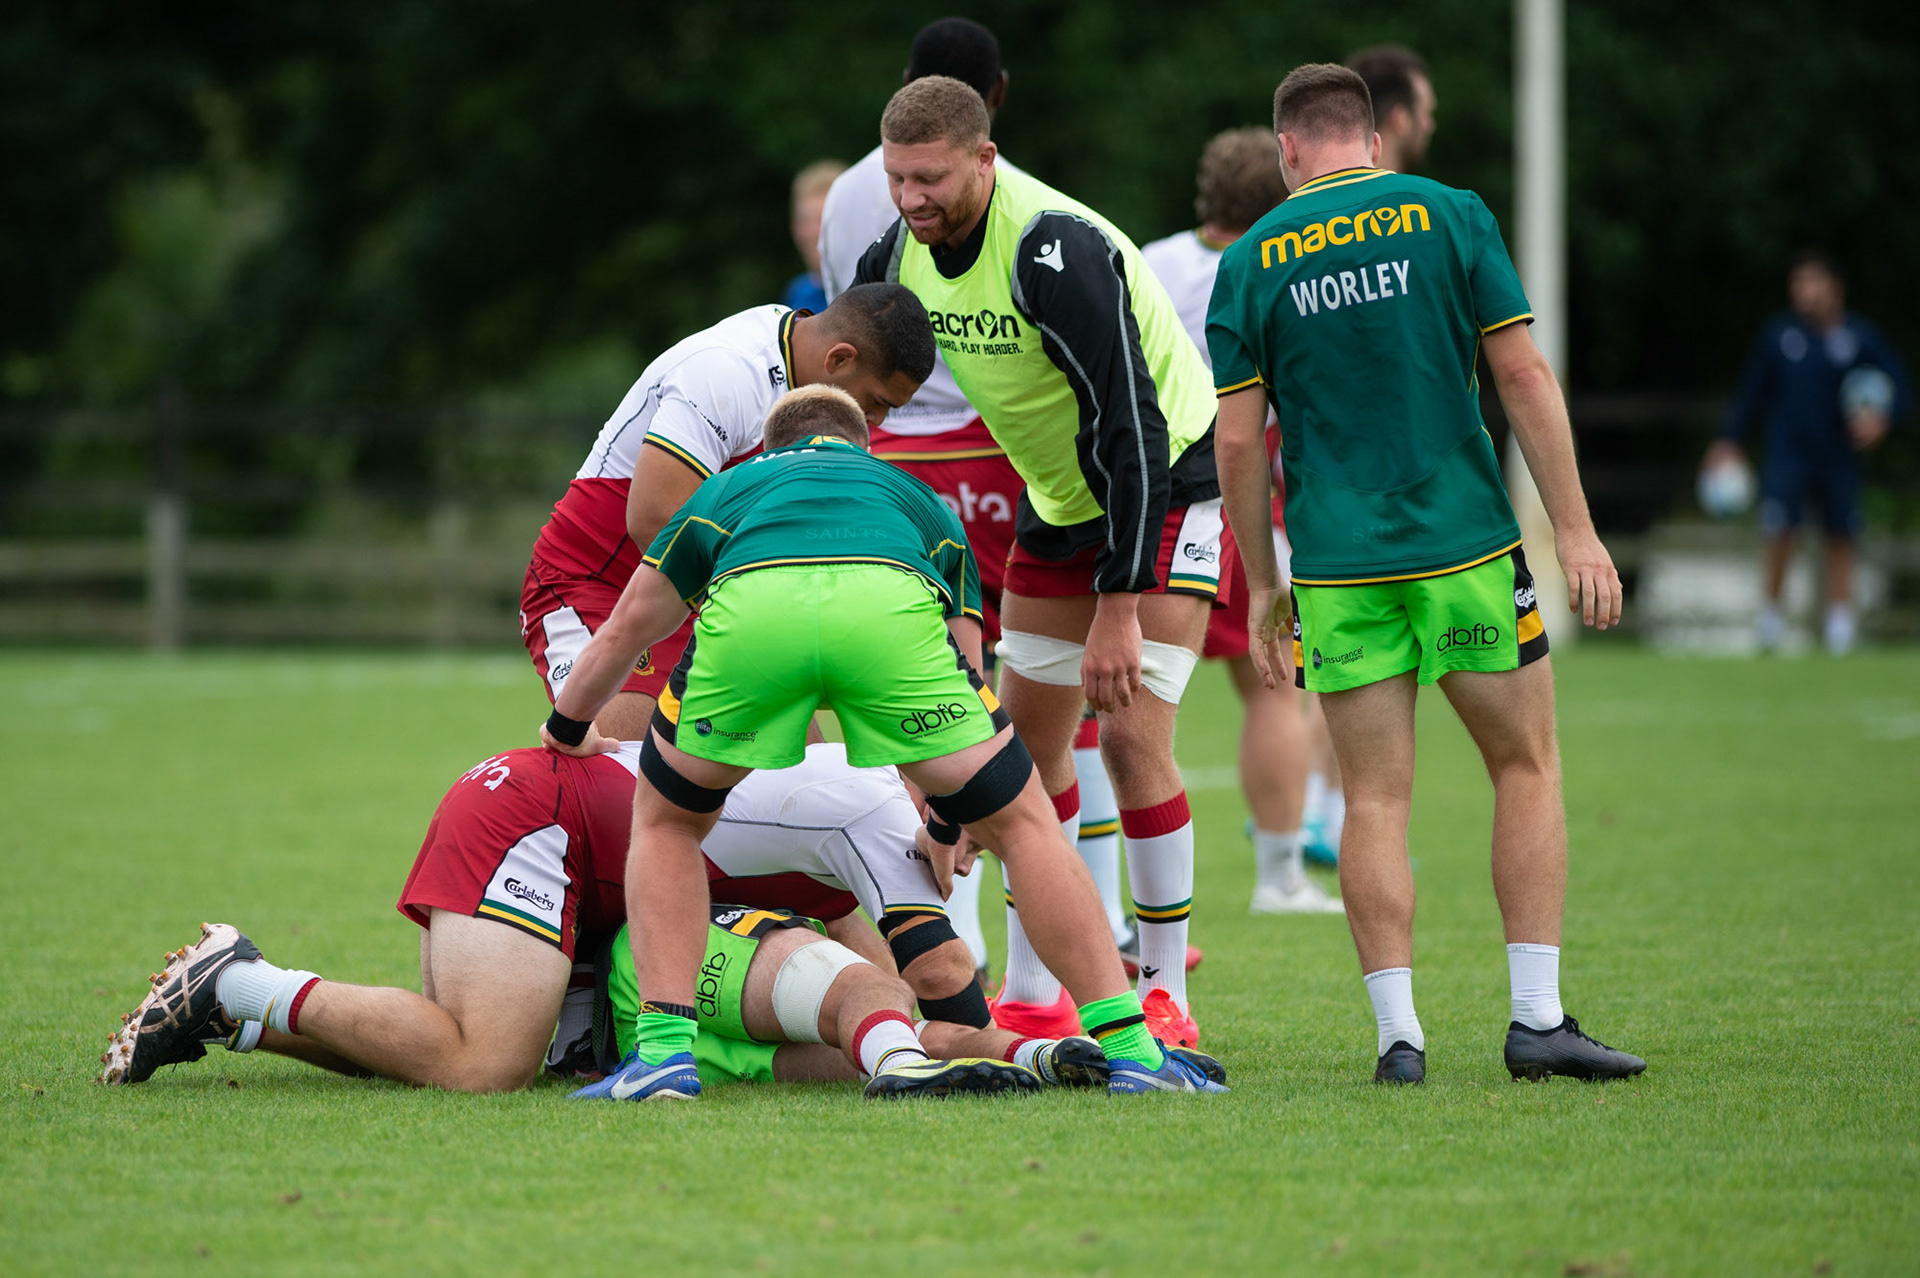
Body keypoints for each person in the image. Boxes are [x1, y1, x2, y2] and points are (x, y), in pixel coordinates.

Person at [542, 385, 1226, 1098]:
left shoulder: (728, 488)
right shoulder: (914, 496)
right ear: (862, 441)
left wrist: (566, 727)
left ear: (771, 447)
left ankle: (663, 1057)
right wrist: (946, 816)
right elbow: (967, 658)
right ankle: (1132, 1051)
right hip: (888, 621)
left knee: (667, 824)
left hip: (755, 624)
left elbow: (626, 630)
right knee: (1027, 826)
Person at [1209, 63, 1645, 1084]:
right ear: (1370, 136)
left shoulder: (1252, 258)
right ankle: (1536, 1021)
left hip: (1339, 568)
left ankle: (1397, 1039)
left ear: (1287, 150)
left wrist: (1265, 584)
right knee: (1525, 766)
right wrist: (1576, 532)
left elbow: (1237, 445)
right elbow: (1524, 375)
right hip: (1467, 552)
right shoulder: (1449, 213)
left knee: (1372, 801)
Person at [853, 76, 1223, 1050]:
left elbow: (1132, 425)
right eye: (895, 178)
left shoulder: (1055, 249)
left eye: (929, 178)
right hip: (1060, 503)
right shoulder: (896, 251)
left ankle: (1161, 993)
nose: (910, 199)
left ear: (984, 158)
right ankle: (1034, 993)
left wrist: (1119, 607)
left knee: (1135, 736)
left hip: (1170, 481)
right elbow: (855, 377)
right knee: (1016, 766)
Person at [98, 742, 1095, 1097]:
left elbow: (904, 1026)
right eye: (988, 836)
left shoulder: (854, 814)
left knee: (485, 1063)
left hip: (589, 870)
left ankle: (239, 1012)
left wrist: (1025, 1059)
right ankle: (235, 979)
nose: (976, 856)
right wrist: (1066, 1040)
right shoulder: (883, 809)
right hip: (535, 819)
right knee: (485, 1064)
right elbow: (928, 994)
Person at [818, 16, 1027, 987]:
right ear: (995, 98)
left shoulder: (847, 191)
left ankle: (947, 928)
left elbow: (841, 326)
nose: (911, 199)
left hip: (882, 449)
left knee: (893, 697)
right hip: (988, 452)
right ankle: (1053, 955)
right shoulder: (1002, 186)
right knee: (1008, 701)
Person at [520, 284, 929, 744]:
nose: (876, 421)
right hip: (598, 583)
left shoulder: (811, 379)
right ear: (838, 360)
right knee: (629, 775)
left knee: (807, 782)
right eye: (877, 402)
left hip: (701, 590)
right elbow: (656, 520)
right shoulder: (727, 371)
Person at [1141, 126, 1337, 917]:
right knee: (1275, 692)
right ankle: (1280, 876)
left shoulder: (1149, 259)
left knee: (1128, 705)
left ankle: (1119, 893)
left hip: (1144, 500)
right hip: (1244, 504)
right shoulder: (1283, 266)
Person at [1705, 249, 1909, 654]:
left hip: (1839, 457)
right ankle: (1769, 625)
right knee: (1780, 533)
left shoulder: (1859, 338)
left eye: (1812, 282)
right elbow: (1751, 395)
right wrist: (1728, 442)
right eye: (1798, 283)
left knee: (1841, 538)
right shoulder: (1780, 336)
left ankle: (1839, 631)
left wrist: (1879, 419)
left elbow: (1900, 388)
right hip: (1789, 454)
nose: (1804, 291)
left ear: (1835, 289)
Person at [1346, 44, 1436, 174]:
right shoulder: (1417, 193)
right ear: (1401, 119)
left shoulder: (1321, 188)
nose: (1430, 126)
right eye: (1426, 113)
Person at [782, 161, 846, 314]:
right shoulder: (797, 294)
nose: (814, 232)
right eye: (804, 221)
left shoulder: (872, 292)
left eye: (823, 220)